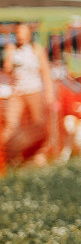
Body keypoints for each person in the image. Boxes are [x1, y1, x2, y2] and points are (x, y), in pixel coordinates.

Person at [3, 23, 57, 164]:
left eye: (23, 32)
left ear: (28, 33)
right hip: (17, 92)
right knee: (10, 124)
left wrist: (49, 93)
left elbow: (45, 71)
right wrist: (9, 54)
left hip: (34, 91)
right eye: (18, 32)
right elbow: (7, 70)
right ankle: (7, 156)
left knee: (38, 123)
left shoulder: (35, 49)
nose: (20, 35)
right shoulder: (12, 49)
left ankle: (39, 154)